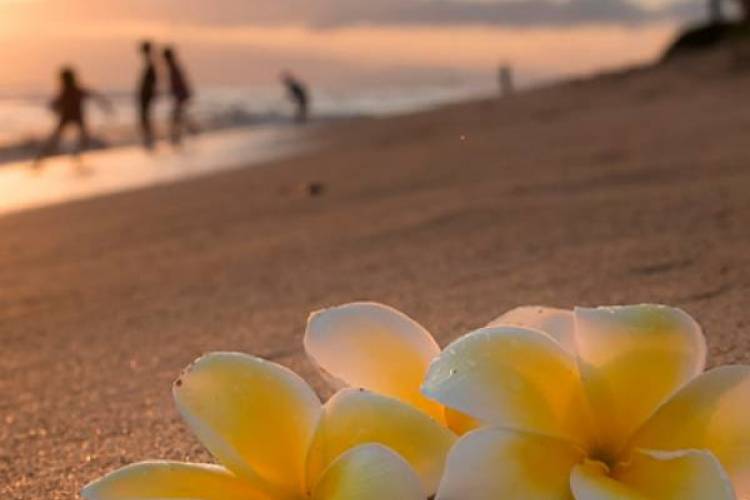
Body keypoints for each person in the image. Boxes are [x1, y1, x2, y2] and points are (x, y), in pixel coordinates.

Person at [34, 66, 112, 166]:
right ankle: (43, 159)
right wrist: (105, 106)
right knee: (57, 139)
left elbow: (95, 96)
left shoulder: (73, 91)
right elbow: (55, 104)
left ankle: (75, 156)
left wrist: (105, 106)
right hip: (68, 117)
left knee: (79, 139)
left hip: (74, 117)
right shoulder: (69, 91)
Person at [163, 46, 197, 145]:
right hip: (180, 96)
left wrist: (179, 94)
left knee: (176, 116)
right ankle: (187, 131)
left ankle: (176, 136)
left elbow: (179, 83)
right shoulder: (173, 67)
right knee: (180, 116)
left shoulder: (174, 67)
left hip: (180, 96)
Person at [137, 41, 157, 149]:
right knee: (145, 117)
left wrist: (150, 92)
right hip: (146, 94)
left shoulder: (151, 63)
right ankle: (148, 138)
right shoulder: (150, 62)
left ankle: (149, 139)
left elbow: (153, 80)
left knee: (145, 117)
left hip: (146, 94)